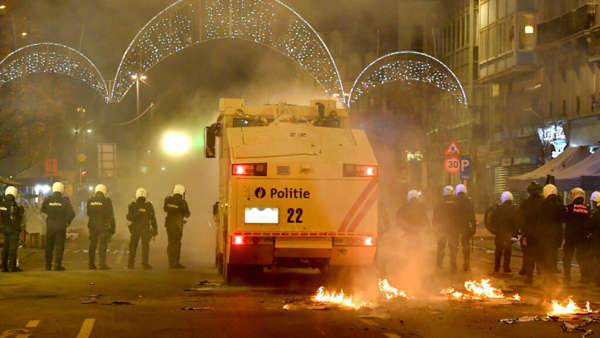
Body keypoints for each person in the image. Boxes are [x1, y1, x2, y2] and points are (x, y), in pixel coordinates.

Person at [41, 182, 75, 271]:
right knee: (59, 246)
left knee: (49, 246)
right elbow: (72, 213)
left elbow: (42, 210)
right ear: (62, 190)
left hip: (50, 226)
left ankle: (47, 265)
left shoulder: (48, 200)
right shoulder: (65, 201)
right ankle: (57, 265)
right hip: (61, 226)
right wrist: (67, 222)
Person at [538, 184, 565, 282]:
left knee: (545, 256)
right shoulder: (559, 205)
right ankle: (553, 278)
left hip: (545, 236)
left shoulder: (542, 205)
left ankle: (546, 278)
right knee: (553, 255)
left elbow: (539, 221)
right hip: (556, 235)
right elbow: (563, 219)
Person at [564, 187, 592, 283]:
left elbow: (564, 218)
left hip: (570, 236)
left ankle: (567, 277)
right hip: (582, 237)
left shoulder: (569, 207)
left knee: (567, 258)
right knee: (582, 258)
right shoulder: (587, 209)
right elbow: (589, 222)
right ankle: (584, 277)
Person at [127, 188, 158, 270]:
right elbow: (153, 218)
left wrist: (137, 213)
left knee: (133, 246)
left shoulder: (132, 205)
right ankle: (145, 264)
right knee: (145, 246)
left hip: (135, 229)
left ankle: (130, 264)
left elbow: (129, 217)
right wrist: (155, 229)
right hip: (145, 229)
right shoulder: (149, 205)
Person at [519, 182, 543, 283]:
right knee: (540, 255)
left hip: (528, 234)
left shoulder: (525, 203)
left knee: (529, 255)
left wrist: (523, 233)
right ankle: (542, 277)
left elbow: (521, 218)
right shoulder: (543, 202)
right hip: (540, 234)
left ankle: (529, 277)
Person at [87, 184, 115, 270]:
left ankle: (91, 264)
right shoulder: (107, 200)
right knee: (102, 245)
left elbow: (88, 213)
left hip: (92, 226)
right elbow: (110, 215)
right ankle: (102, 264)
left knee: (92, 245)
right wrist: (112, 228)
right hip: (103, 226)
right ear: (104, 191)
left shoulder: (90, 200)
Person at [489, 191, 518, 273]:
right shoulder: (514, 209)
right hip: (509, 233)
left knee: (498, 251)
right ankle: (506, 268)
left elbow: (492, 220)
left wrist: (494, 230)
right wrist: (515, 234)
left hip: (499, 233)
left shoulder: (498, 209)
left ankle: (496, 268)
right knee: (507, 251)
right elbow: (516, 222)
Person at [164, 184, 190, 269]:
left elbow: (165, 209)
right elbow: (187, 214)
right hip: (178, 225)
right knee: (177, 243)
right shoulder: (182, 202)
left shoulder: (168, 199)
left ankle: (170, 262)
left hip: (169, 224)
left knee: (170, 243)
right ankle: (175, 263)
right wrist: (181, 209)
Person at [0, 186, 25, 272]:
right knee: (12, 248)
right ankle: (12, 267)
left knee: (5, 247)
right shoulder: (14, 205)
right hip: (13, 230)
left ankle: (4, 267)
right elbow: (18, 217)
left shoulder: (1, 204)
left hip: (4, 229)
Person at [434, 185, 458, 272]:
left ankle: (439, 266)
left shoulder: (440, 203)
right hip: (453, 230)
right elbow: (459, 216)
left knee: (441, 248)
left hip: (442, 229)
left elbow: (435, 217)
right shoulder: (456, 203)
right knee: (453, 249)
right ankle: (453, 267)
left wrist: (435, 228)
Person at [453, 184, 476, 272]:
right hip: (465, 226)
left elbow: (450, 216)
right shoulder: (468, 202)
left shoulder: (454, 201)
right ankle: (466, 265)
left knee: (454, 246)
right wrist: (473, 228)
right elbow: (472, 216)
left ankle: (453, 266)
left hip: (455, 227)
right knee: (466, 246)